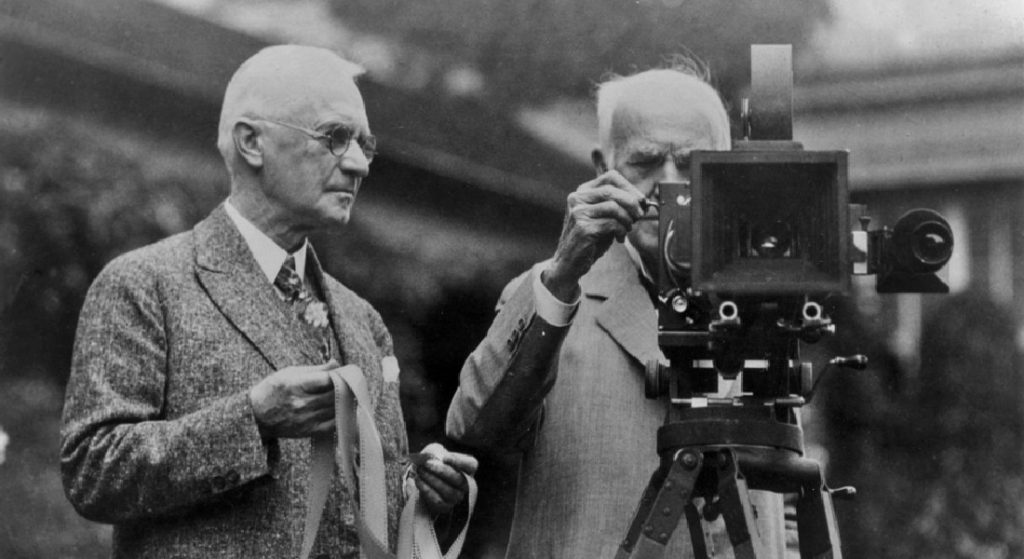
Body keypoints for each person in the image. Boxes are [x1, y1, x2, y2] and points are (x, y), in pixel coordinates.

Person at [61, 45, 475, 559]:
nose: (358, 165)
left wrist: (418, 485)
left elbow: (369, 496)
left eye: (364, 144)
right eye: (335, 137)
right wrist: (252, 420)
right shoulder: (143, 284)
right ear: (252, 142)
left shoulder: (363, 320)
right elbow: (92, 472)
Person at [446, 62, 786, 557]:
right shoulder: (552, 293)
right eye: (644, 162)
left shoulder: (769, 301)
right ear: (601, 167)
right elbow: (476, 428)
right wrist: (562, 274)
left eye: (691, 164)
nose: (668, 184)